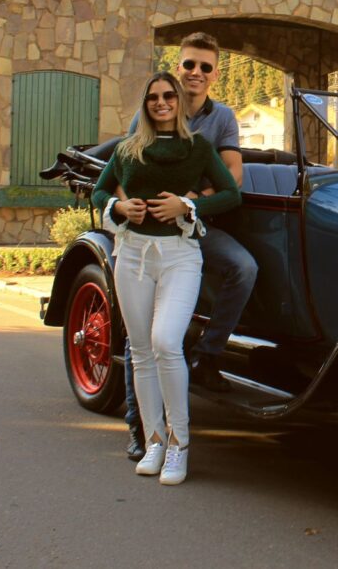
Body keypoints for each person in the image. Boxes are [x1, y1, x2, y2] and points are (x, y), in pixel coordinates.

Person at [94, 71, 240, 484]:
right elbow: (99, 193)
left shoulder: (197, 148)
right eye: (154, 97)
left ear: (178, 101)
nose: (161, 103)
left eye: (168, 96)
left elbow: (231, 193)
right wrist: (120, 210)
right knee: (141, 350)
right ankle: (154, 439)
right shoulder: (128, 149)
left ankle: (179, 444)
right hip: (133, 256)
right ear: (145, 103)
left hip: (180, 256)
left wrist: (187, 206)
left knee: (165, 342)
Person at [122, 32, 258, 461]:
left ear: (214, 75)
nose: (195, 73)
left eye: (204, 67)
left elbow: (232, 174)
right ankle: (138, 425)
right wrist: (131, 208)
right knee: (141, 334)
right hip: (146, 232)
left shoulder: (220, 121)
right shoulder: (152, 109)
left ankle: (208, 355)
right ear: (176, 68)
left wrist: (193, 202)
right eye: (188, 65)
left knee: (244, 267)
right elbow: (125, 169)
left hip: (194, 227)